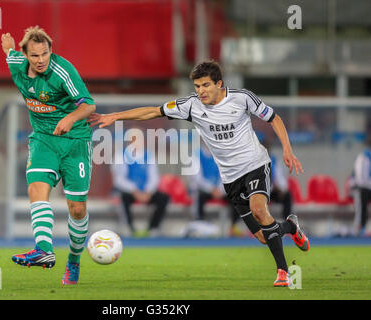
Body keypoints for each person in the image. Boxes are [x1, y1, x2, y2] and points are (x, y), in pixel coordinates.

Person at [88, 60, 309, 287]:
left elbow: (274, 118)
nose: (201, 91)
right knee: (263, 236)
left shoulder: (242, 98)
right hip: (230, 178)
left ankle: (283, 272)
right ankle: (290, 227)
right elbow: (153, 112)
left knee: (259, 210)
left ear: (219, 84)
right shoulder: (191, 106)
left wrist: (287, 149)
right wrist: (117, 116)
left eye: (205, 85)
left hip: (255, 165)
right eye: (197, 86)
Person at [1, 26, 96, 285]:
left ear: (51, 51)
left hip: (75, 141)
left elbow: (89, 105)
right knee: (36, 187)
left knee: (76, 209)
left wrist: (70, 117)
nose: (41, 60)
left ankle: (74, 261)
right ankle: (44, 250)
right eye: (35, 56)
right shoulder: (17, 65)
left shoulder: (63, 70)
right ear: (25, 55)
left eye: (45, 54)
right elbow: (9, 52)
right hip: (43, 139)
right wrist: (7, 46)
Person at [111, 133, 169, 237]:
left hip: (146, 192)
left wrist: (148, 191)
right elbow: (119, 179)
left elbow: (154, 177)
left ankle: (153, 228)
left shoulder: (149, 155)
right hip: (129, 192)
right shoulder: (121, 155)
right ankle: (129, 227)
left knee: (163, 198)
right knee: (123, 197)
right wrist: (134, 190)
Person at [350, 136, 371, 237]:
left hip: (366, 187)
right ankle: (358, 229)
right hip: (359, 187)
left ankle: (362, 227)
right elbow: (360, 178)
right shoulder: (363, 157)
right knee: (361, 207)